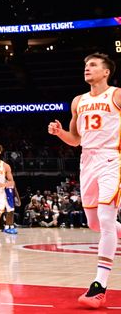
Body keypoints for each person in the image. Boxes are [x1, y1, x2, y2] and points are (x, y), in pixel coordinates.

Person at [48, 53, 121, 308]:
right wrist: (60, 133)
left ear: (106, 72)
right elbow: (76, 139)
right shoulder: (78, 101)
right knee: (94, 223)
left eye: (92, 65)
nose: (87, 68)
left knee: (106, 218)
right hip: (87, 161)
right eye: (85, 65)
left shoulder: (117, 95)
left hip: (112, 158)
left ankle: (99, 287)